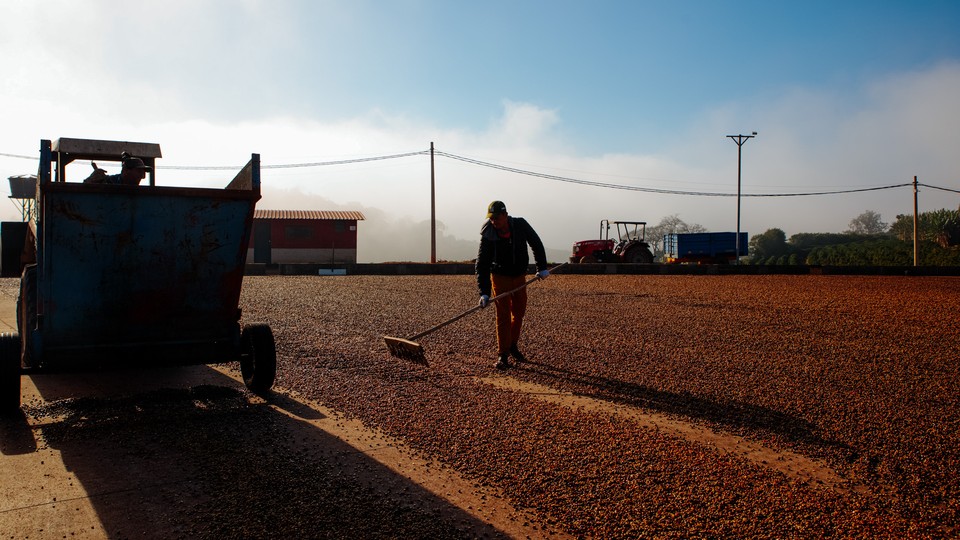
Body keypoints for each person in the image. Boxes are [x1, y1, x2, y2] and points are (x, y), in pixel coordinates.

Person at [476, 200, 550, 369]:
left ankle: (512, 345)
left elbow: (536, 243)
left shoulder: (520, 225)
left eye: (496, 218)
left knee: (518, 312)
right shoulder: (488, 233)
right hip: (500, 277)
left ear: (505, 215)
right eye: (491, 218)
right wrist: (484, 292)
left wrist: (542, 267)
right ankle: (503, 355)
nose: (494, 222)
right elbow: (482, 264)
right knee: (503, 315)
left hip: (519, 276)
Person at [83, 152, 151, 186]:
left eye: (143, 173)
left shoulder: (141, 196)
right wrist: (92, 180)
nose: (142, 176)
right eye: (139, 171)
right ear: (126, 171)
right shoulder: (107, 182)